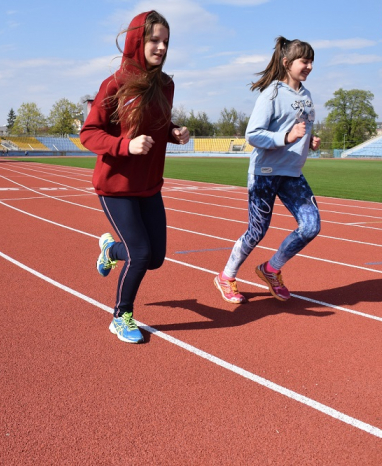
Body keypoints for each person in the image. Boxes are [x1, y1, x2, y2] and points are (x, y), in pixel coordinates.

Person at [80, 10, 189, 344]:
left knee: (155, 258)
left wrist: (174, 132)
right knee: (140, 254)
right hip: (115, 186)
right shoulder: (114, 84)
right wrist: (125, 146)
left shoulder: (166, 85)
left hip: (149, 186)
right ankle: (121, 316)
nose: (160, 47)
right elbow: (89, 134)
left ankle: (110, 251)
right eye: (154, 40)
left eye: (166, 42)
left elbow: (155, 124)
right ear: (137, 40)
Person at [214, 36, 321, 304]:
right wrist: (285, 138)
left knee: (311, 226)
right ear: (287, 63)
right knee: (257, 231)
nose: (308, 66)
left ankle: (270, 270)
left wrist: (310, 141)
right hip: (266, 172)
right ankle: (226, 276)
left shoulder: (306, 97)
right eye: (304, 61)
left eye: (311, 61)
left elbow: (300, 130)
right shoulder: (271, 94)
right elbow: (253, 135)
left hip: (292, 174)